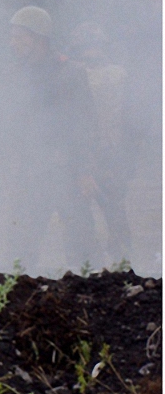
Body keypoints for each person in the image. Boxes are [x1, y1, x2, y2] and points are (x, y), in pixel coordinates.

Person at [1, 6, 99, 271]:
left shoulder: (70, 73)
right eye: (12, 37)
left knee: (83, 250)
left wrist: (85, 172)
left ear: (38, 38)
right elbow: (8, 123)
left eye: (19, 37)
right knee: (21, 251)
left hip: (67, 172)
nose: (13, 43)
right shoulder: (14, 74)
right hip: (30, 173)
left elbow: (84, 126)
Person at [70, 21, 133, 261]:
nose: (90, 52)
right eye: (86, 47)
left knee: (111, 207)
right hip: (89, 149)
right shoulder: (114, 73)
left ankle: (118, 258)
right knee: (85, 210)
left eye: (93, 46)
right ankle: (96, 261)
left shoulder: (111, 75)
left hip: (106, 151)